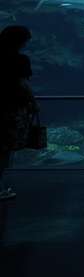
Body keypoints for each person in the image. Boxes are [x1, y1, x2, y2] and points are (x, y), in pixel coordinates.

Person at [0, 25, 36, 202]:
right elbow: (21, 83)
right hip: (11, 108)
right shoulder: (20, 59)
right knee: (5, 147)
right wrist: (33, 102)